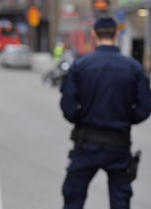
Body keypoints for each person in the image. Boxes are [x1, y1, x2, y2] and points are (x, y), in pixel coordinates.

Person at [59, 17, 151, 209]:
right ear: (116, 34)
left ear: (94, 34)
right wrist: (126, 117)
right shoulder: (133, 68)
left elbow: (68, 108)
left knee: (73, 199)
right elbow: (144, 109)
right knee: (120, 201)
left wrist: (82, 118)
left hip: (86, 144)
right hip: (119, 144)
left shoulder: (81, 65)